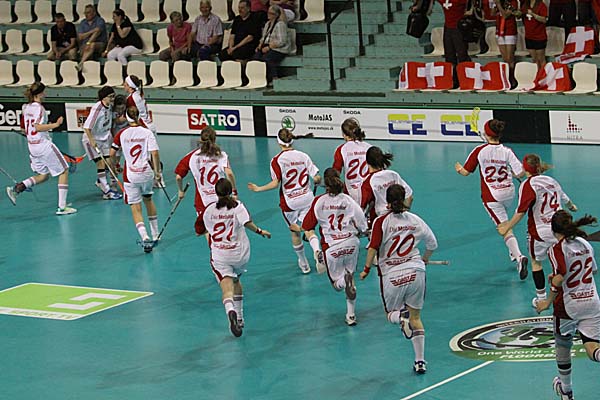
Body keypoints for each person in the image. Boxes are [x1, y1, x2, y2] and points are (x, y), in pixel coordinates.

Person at [360, 184, 438, 374]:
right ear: (404, 199)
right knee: (416, 318)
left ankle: (401, 317)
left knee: (391, 315)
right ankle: (420, 361)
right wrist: (425, 259)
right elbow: (432, 243)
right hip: (416, 272)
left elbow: (373, 247)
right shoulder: (415, 220)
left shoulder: (381, 221)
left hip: (392, 275)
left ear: (386, 200)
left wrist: (366, 268)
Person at [535, 210, 600, 400]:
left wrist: (546, 302)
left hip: (568, 305)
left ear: (553, 229)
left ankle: (566, 390)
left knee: (563, 344)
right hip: (591, 302)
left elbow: (560, 277)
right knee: (592, 348)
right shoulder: (585, 243)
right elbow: (593, 271)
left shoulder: (556, 249)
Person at [498, 154, 577, 306]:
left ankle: (541, 298)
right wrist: (572, 206)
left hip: (539, 232)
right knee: (561, 263)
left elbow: (521, 211)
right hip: (559, 230)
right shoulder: (551, 181)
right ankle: (567, 295)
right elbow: (565, 198)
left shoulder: (527, 185)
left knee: (536, 263)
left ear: (525, 168)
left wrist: (507, 227)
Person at [197, 178, 272, 337]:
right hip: (240, 254)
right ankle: (239, 317)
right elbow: (247, 223)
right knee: (236, 281)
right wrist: (260, 231)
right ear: (230, 191)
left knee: (227, 288)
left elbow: (199, 229)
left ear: (216, 193)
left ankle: (230, 310)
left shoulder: (208, 210)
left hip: (220, 255)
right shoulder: (238, 206)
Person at [455, 119, 528, 278]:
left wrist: (459, 168)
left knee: (504, 228)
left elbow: (466, 172)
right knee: (505, 219)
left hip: (492, 196)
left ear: (486, 134)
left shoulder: (479, 150)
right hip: (509, 193)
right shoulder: (507, 151)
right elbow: (520, 173)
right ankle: (512, 252)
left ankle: (519, 257)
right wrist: (510, 172)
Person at [247, 128, 321, 274]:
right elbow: (316, 177)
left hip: (290, 202)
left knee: (294, 231)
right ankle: (317, 250)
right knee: (309, 228)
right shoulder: (303, 156)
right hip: (307, 199)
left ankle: (304, 264)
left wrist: (258, 189)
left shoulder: (276, 160)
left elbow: (275, 183)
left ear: (278, 142)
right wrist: (317, 180)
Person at [302, 168, 368, 326]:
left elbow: (307, 226)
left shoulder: (318, 201)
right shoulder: (348, 200)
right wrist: (363, 231)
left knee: (337, 286)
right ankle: (351, 316)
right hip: (351, 243)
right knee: (350, 276)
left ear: (326, 184)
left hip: (331, 247)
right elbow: (363, 225)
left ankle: (319, 254)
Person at [5, 82, 76, 215]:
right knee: (64, 171)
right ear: (39, 94)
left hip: (32, 147)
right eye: (44, 92)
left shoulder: (26, 107)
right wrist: (55, 125)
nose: (45, 94)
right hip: (43, 145)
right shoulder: (39, 108)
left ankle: (17, 188)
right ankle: (62, 207)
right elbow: (37, 127)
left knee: (43, 176)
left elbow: (25, 128)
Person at [109, 107, 161, 253]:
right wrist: (157, 172)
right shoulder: (147, 132)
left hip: (131, 176)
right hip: (146, 173)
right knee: (148, 199)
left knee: (135, 207)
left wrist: (115, 166)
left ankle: (145, 236)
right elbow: (155, 153)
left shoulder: (121, 133)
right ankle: (156, 234)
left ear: (126, 117)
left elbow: (112, 153)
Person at [174, 127, 238, 237]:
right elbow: (230, 174)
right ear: (215, 139)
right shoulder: (221, 155)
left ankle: (213, 248)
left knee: (208, 230)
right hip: (222, 197)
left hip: (202, 201)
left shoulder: (192, 156)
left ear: (201, 139)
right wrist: (234, 192)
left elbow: (178, 177)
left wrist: (180, 191)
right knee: (224, 228)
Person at [123, 75, 165, 187]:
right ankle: (159, 179)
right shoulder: (139, 94)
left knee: (148, 155)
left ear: (130, 86)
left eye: (125, 84)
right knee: (152, 154)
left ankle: (156, 179)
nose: (123, 86)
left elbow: (131, 115)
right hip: (150, 125)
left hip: (144, 127)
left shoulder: (131, 99)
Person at [82, 86, 122, 200]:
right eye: (111, 96)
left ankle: (100, 181)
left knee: (109, 163)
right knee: (101, 163)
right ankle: (107, 191)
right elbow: (86, 127)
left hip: (104, 139)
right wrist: (92, 140)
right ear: (104, 97)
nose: (113, 99)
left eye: (113, 96)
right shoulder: (97, 108)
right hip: (92, 140)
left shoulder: (109, 106)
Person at [361, 146, 413, 224]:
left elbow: (361, 208)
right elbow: (410, 197)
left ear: (367, 162)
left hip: (379, 222)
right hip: (399, 221)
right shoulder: (393, 174)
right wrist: (402, 214)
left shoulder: (368, 182)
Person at [332, 118, 372, 205]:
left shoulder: (341, 150)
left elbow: (335, 173)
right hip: (368, 191)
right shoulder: (369, 147)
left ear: (344, 135)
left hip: (350, 192)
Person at [253, 5, 293, 83]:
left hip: (279, 49)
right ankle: (259, 79)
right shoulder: (267, 24)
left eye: (271, 13)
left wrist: (269, 47)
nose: (269, 15)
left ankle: (274, 78)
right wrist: (260, 45)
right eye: (268, 13)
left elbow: (282, 41)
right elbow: (264, 37)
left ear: (276, 15)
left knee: (267, 58)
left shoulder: (280, 24)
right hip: (267, 45)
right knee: (256, 57)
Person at [427, 0, 471, 65]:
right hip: (448, 29)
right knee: (449, 54)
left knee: (462, 54)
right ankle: (452, 70)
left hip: (459, 28)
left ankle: (466, 69)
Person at [494, 0, 519, 84]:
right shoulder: (499, 2)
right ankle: (506, 79)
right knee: (505, 59)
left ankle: (512, 79)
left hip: (510, 31)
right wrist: (494, 5)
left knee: (510, 58)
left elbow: (505, 15)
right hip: (500, 31)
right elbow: (492, 13)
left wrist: (498, 5)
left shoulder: (513, 2)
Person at [77, 4, 107, 69]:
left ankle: (81, 63)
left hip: (99, 44)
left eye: (88, 12)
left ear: (94, 13)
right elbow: (80, 37)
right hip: (85, 45)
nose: (86, 15)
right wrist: (92, 31)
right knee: (87, 49)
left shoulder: (100, 20)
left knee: (92, 45)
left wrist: (88, 42)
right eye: (85, 13)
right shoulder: (83, 22)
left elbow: (97, 32)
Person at [522, 0, 548, 70]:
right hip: (529, 36)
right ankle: (537, 74)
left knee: (541, 59)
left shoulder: (541, 5)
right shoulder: (525, 5)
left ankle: (543, 75)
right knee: (534, 59)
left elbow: (544, 20)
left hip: (539, 36)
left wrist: (533, 14)